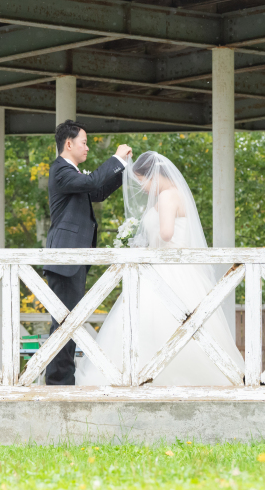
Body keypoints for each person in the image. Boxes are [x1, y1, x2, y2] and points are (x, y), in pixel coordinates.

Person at [75, 151, 244, 386]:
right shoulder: (178, 193)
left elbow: (166, 234)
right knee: (190, 325)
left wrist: (143, 246)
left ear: (152, 176)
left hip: (166, 269)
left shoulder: (166, 196)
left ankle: (146, 375)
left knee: (151, 321)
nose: (142, 187)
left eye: (142, 181)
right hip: (183, 272)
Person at [43, 120, 132, 385]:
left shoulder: (73, 174)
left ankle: (62, 380)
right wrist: (115, 157)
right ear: (68, 144)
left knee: (70, 322)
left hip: (74, 259)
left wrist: (124, 168)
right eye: (84, 142)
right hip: (64, 259)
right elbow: (93, 181)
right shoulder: (60, 171)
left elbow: (98, 190)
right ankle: (59, 382)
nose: (88, 148)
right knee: (64, 324)